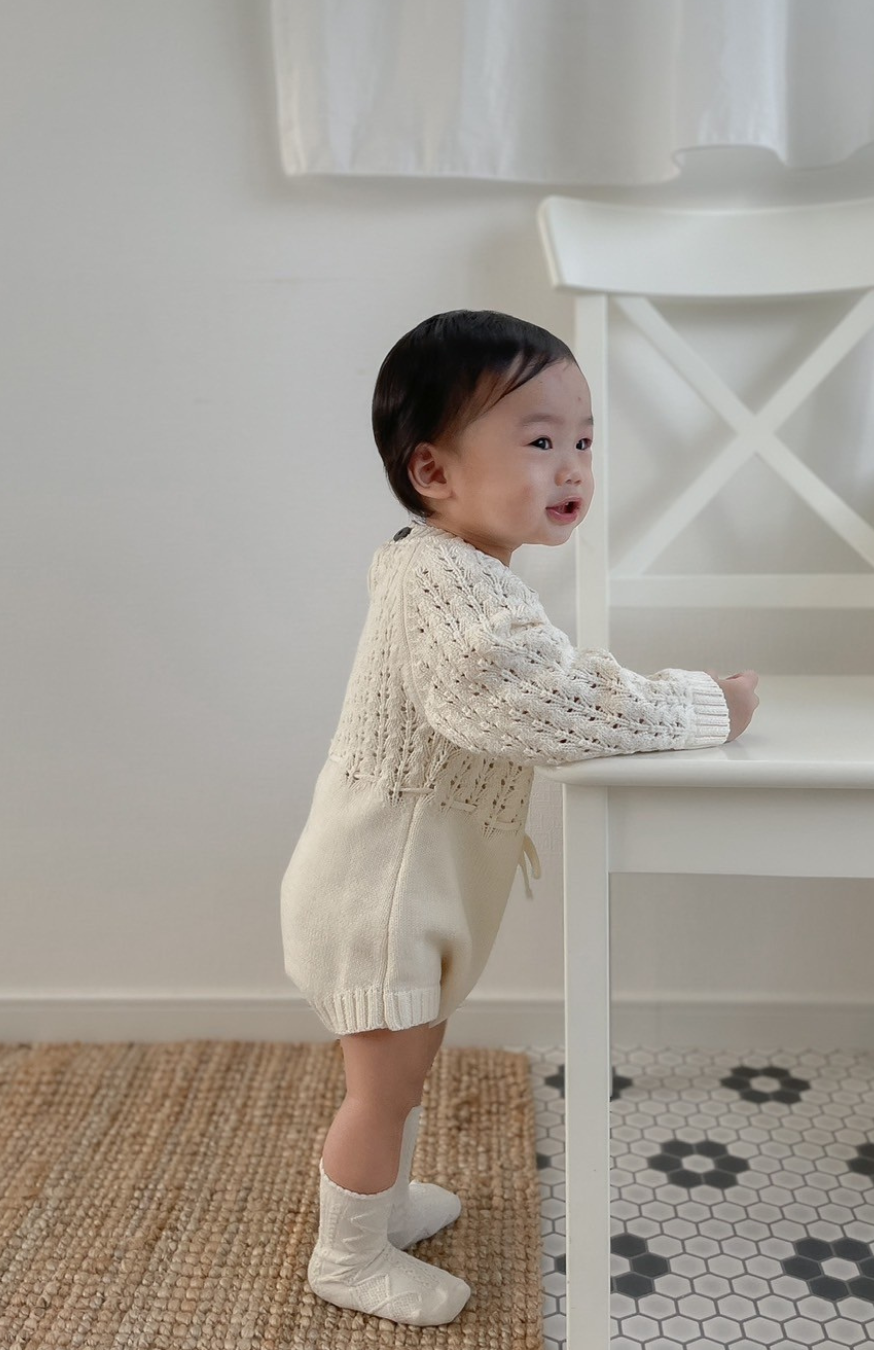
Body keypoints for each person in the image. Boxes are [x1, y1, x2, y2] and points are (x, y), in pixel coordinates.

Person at [279, 309, 760, 1327]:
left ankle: (382, 1207)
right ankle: (346, 1255)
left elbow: (539, 681)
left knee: (404, 1072)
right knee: (382, 1090)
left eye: (583, 439)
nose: (572, 465)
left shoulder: (457, 566)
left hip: (404, 886)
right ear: (434, 472)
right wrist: (704, 705)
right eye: (539, 440)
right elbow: (538, 701)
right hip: (380, 896)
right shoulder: (445, 581)